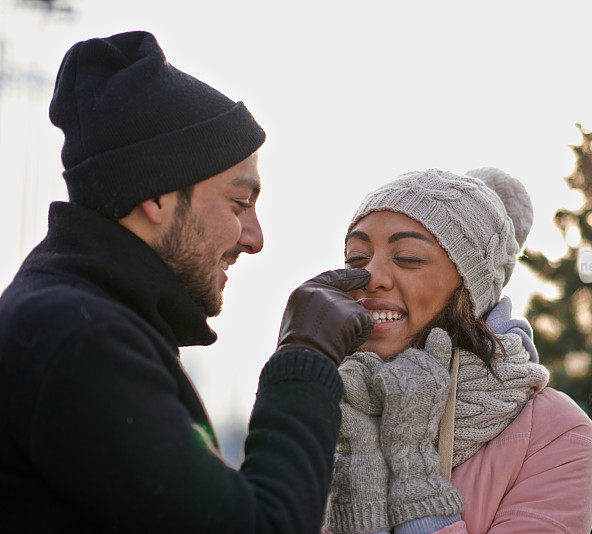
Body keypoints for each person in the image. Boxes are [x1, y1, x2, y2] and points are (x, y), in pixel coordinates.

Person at [0, 31, 373, 533]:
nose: (255, 238)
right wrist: (305, 357)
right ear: (155, 196)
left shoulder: (83, 317)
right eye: (239, 204)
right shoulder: (79, 340)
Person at [324, 168, 592, 533]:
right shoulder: (321, 406)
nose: (371, 276)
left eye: (406, 257)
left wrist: (414, 474)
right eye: (356, 258)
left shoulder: (555, 432)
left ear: (472, 285)